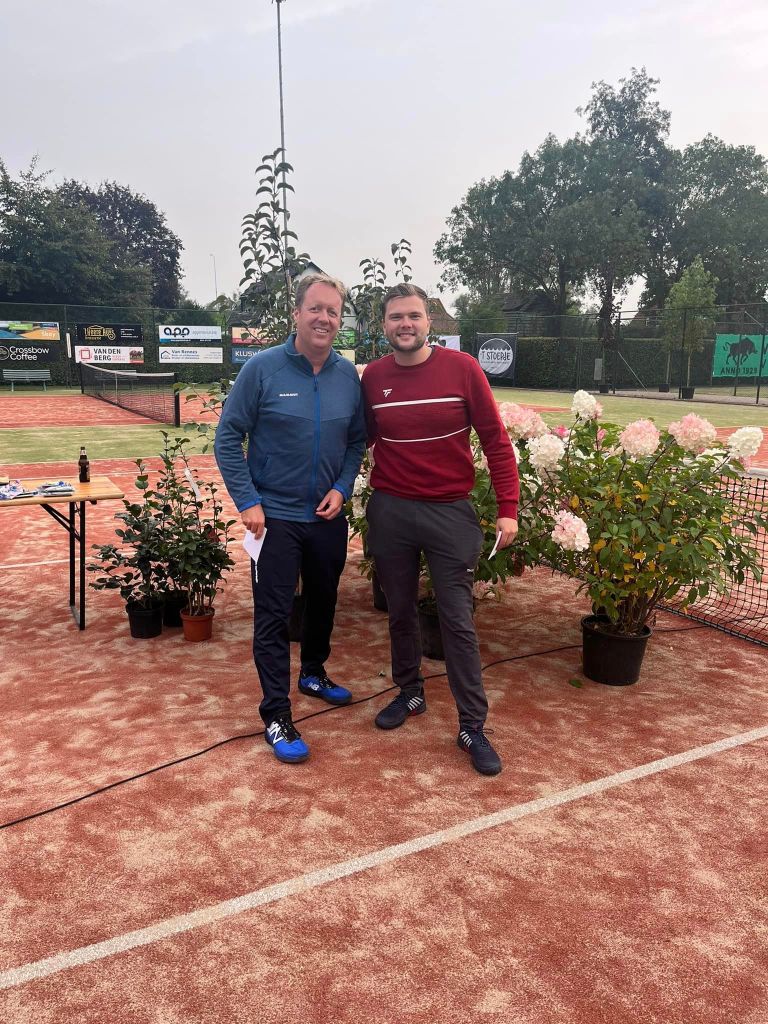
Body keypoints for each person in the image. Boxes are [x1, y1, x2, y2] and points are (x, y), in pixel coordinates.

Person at [361, 283, 519, 776]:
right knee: (400, 611)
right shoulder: (374, 378)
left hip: (450, 513)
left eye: (413, 315)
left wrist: (508, 508)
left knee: (456, 620)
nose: (405, 324)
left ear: (429, 322)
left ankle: (472, 725)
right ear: (383, 326)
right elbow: (358, 440)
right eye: (395, 317)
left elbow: (495, 441)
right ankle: (410, 693)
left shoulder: (464, 369)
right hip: (391, 511)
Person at [214, 273, 366, 764]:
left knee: (323, 601)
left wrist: (343, 487)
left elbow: (356, 442)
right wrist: (248, 501)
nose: (324, 318)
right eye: (315, 308)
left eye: (333, 311)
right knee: (274, 616)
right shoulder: (262, 369)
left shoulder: (347, 376)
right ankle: (277, 714)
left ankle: (314, 673)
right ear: (297, 313)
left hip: (327, 518)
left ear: (340, 321)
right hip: (273, 519)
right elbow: (227, 438)